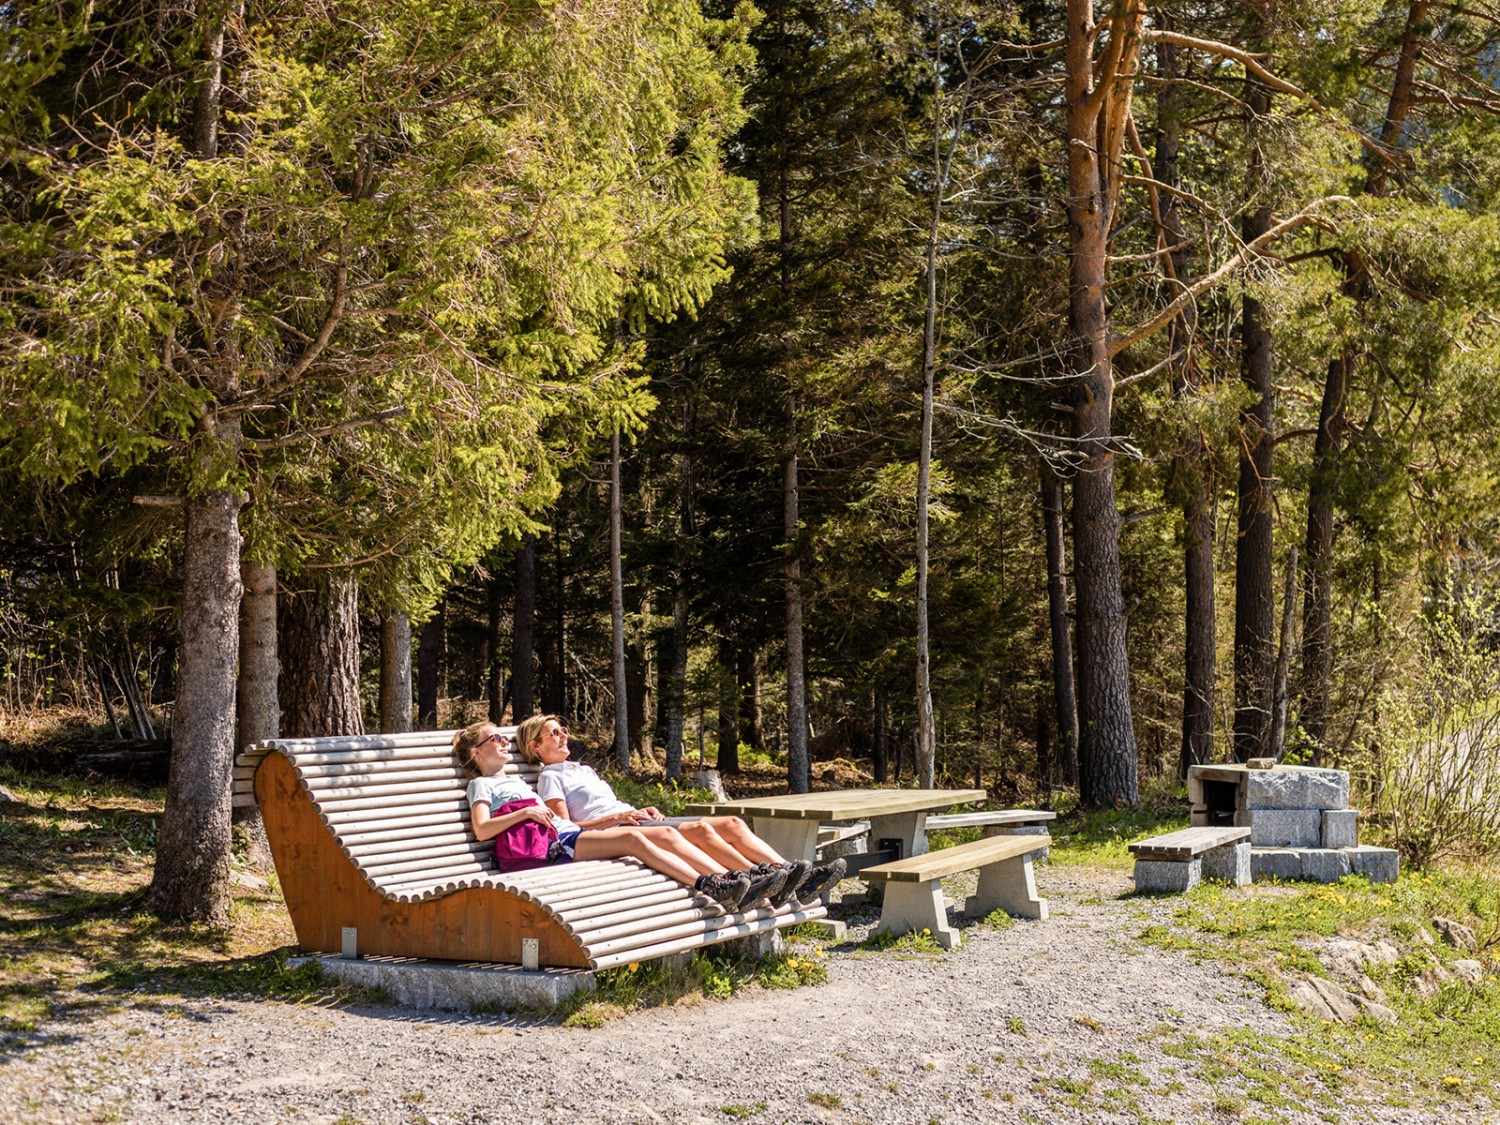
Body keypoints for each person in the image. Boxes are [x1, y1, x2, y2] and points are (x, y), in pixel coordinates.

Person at [516, 713, 846, 906]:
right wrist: (616, 818)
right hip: (616, 831)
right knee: (701, 830)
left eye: (563, 730)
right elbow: (567, 826)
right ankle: (762, 879)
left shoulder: (582, 769)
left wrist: (634, 809)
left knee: (730, 822)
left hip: (635, 819)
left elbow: (607, 804)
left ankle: (791, 874)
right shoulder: (549, 776)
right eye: (554, 733)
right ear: (536, 746)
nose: (563, 736)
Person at [454, 721, 781, 911]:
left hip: (566, 835)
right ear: (476, 752)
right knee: (632, 838)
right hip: (554, 847)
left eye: (503, 737)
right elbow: (482, 830)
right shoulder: (480, 785)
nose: (503, 742)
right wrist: (525, 811)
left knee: (659, 835)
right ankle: (712, 883)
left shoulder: (513, 780)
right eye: (494, 738)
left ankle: (733, 882)